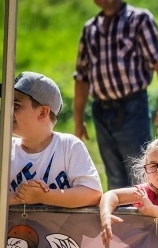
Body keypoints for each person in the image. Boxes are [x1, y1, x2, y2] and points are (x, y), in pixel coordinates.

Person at [74, 0, 158, 190]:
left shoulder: (139, 20)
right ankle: (120, 224)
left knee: (141, 173)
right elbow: (81, 77)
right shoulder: (90, 29)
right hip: (101, 111)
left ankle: (149, 223)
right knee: (115, 178)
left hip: (132, 108)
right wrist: (78, 119)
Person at [9, 71, 102, 208]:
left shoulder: (68, 146)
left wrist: (43, 196)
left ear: (42, 112)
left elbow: (93, 194)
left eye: (16, 105)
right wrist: (18, 198)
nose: (7, 110)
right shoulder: (5, 147)